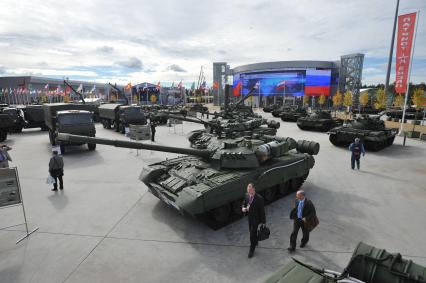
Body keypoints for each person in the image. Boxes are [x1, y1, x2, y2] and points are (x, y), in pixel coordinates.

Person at [242, 183, 266, 258]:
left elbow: (262, 211)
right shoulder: (246, 195)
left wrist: (263, 222)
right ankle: (255, 241)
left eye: (250, 189)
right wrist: (243, 207)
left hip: (256, 219)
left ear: (253, 189)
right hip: (249, 218)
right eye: (247, 189)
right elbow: (244, 203)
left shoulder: (259, 198)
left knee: (252, 235)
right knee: (251, 231)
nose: (248, 191)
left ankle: (251, 250)